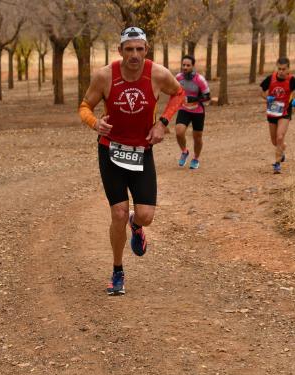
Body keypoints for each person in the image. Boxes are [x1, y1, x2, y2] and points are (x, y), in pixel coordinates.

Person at [78, 27, 185, 295]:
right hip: (111, 150)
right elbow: (84, 106)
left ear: (146, 49)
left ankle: (136, 225)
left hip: (141, 151)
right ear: (120, 51)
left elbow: (179, 93)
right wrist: (95, 123)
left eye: (139, 49)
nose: (134, 55)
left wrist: (162, 123)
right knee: (118, 212)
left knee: (146, 215)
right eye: (129, 49)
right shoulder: (105, 76)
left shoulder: (158, 74)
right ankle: (117, 271)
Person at [260, 57, 295, 174]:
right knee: (275, 141)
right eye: (279, 69)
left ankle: (277, 164)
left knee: (280, 137)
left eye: (283, 69)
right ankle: (282, 149)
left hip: (285, 112)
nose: (281, 71)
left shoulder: (292, 80)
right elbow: (261, 91)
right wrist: (266, 97)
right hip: (272, 111)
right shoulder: (270, 78)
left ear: (288, 69)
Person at [175, 55, 211, 169]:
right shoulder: (179, 77)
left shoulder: (199, 79)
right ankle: (184, 151)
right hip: (184, 109)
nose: (185, 67)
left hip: (198, 111)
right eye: (183, 65)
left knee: (197, 137)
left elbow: (207, 97)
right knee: (179, 132)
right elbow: (174, 91)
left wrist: (194, 99)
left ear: (193, 66)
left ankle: (195, 158)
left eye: (188, 65)